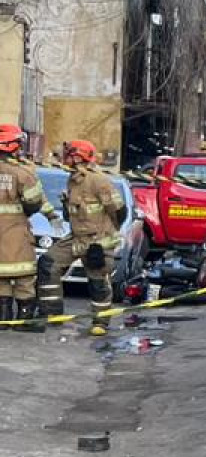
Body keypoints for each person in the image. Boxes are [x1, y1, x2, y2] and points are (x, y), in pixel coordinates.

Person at [36, 138, 125, 336]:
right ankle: (52, 314)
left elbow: (119, 210)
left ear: (77, 156)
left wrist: (105, 241)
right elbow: (75, 213)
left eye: (68, 153)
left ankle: (101, 321)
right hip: (76, 236)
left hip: (97, 239)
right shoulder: (73, 179)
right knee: (48, 263)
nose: (64, 157)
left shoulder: (98, 180)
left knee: (97, 278)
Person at [0, 125, 46, 331]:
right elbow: (33, 201)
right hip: (16, 231)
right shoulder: (22, 172)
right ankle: (23, 318)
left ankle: (3, 317)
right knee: (24, 277)